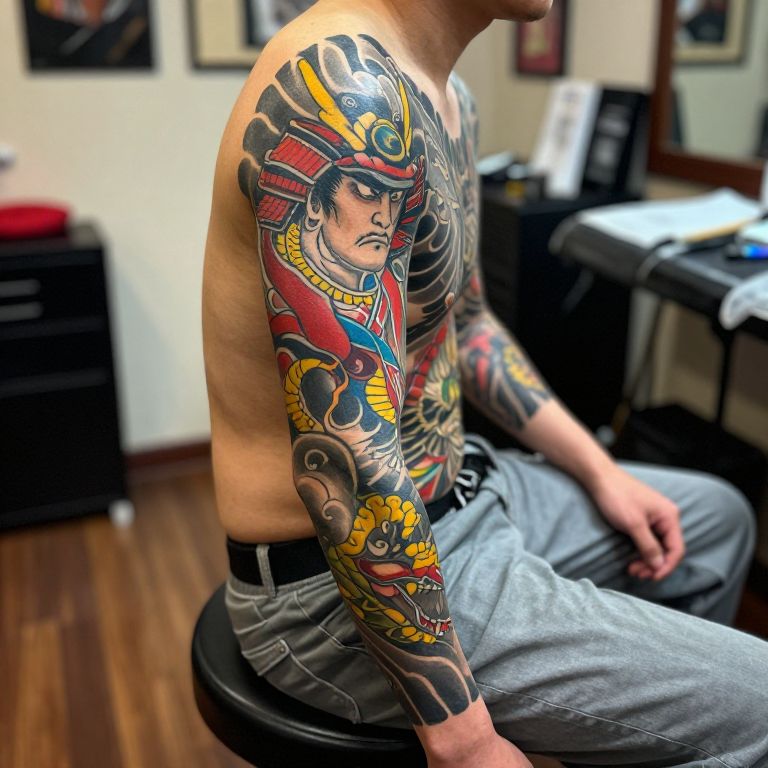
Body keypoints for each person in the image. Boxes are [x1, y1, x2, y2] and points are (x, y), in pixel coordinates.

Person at [202, 1, 768, 765]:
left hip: (466, 488)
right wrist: (462, 739)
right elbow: (350, 459)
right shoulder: (348, 96)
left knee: (717, 521)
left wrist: (603, 473)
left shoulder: (448, 98)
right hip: (332, 587)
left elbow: (466, 326)